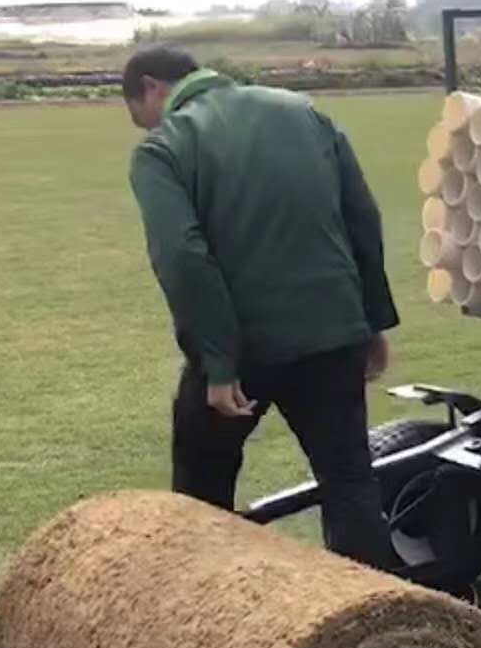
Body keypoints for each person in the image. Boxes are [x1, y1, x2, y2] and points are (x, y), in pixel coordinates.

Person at [123, 45, 398, 571]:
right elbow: (362, 218)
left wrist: (218, 362)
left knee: (201, 494)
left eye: (141, 115)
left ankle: (204, 601)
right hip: (333, 335)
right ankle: (378, 606)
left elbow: (182, 257)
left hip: (246, 350)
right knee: (349, 484)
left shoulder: (163, 148)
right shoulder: (303, 113)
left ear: (152, 88)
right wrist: (371, 321)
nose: (148, 126)